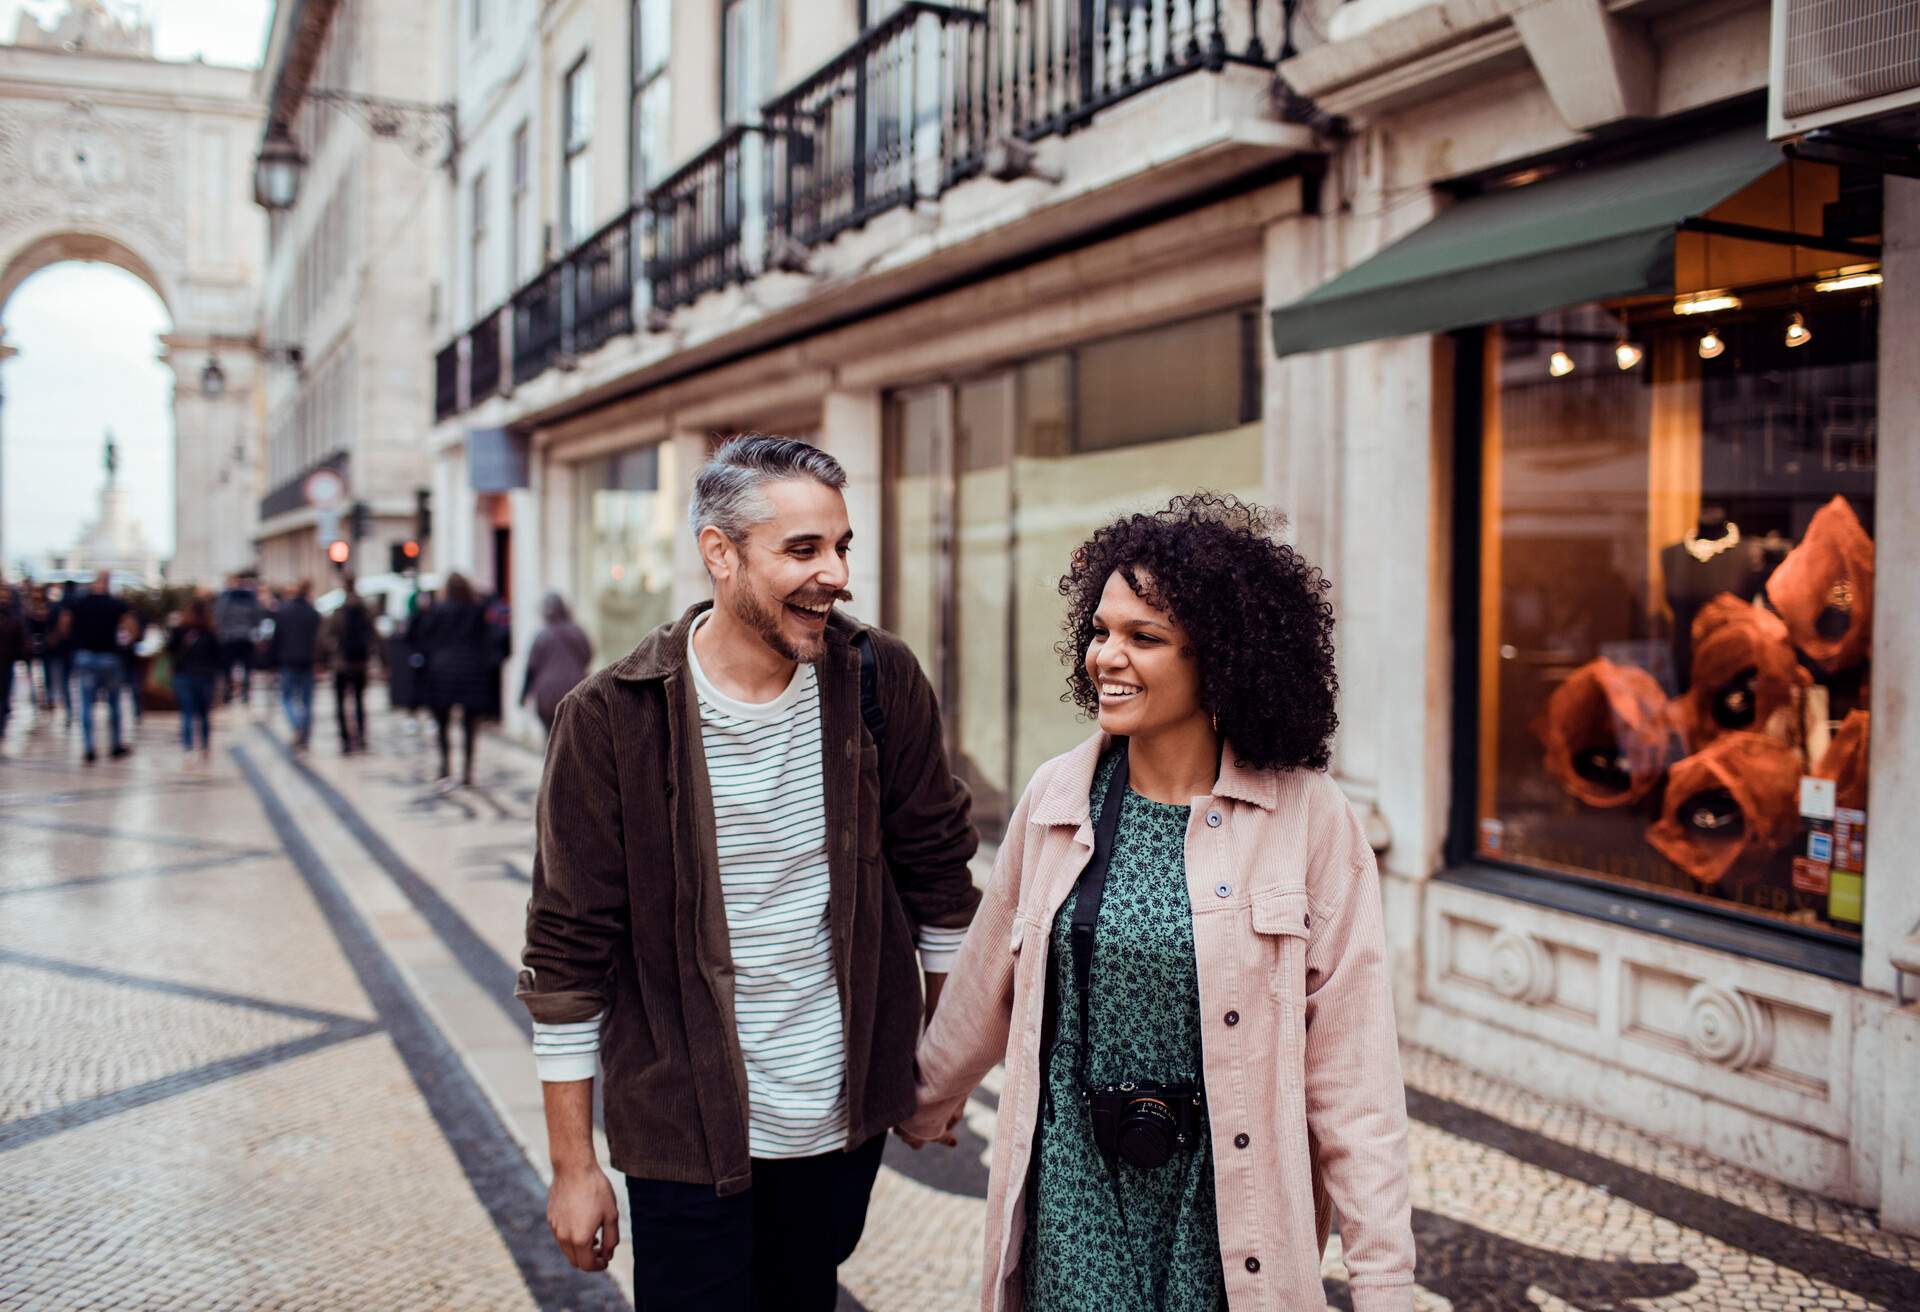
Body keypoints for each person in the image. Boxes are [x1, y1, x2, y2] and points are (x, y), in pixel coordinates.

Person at [900, 494, 1416, 1312]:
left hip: (1229, 1200)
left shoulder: (1308, 816)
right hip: (1076, 1180)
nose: (1107, 656)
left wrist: (1384, 1276)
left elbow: (1352, 1070)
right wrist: (917, 1103)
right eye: (1101, 631)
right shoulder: (1058, 797)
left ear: (1220, 659)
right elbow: (987, 979)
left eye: (1144, 638)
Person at [519, 436, 979, 1310]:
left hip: (841, 1121)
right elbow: (567, 956)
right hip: (681, 1126)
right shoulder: (611, 719)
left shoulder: (881, 680)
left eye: (842, 547)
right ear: (719, 554)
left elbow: (941, 885)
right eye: (802, 550)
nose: (836, 575)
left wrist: (932, 1070)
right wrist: (573, 1165)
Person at [413, 574, 497, 786]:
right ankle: (467, 770)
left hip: (443, 671)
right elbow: (487, 639)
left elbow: (422, 635)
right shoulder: (476, 610)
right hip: (471, 671)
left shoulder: (438, 610)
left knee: (442, 724)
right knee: (470, 726)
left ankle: (445, 766)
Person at [68, 571, 132, 763]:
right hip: (110, 657)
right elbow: (130, 628)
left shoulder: (80, 603)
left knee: (86, 704)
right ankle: (115, 744)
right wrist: (125, 644)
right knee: (114, 703)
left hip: (85, 655)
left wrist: (76, 640)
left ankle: (89, 746)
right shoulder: (117, 605)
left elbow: (65, 623)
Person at [520, 591, 593, 734]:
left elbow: (531, 668)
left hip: (547, 696)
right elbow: (588, 657)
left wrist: (523, 696)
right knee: (574, 738)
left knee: (551, 737)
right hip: (576, 692)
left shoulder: (542, 636)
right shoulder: (577, 632)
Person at [319, 578, 376, 753]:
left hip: (342, 664)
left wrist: (331, 653)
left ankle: (345, 740)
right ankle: (361, 738)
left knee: (341, 703)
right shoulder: (365, 610)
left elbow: (325, 637)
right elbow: (375, 636)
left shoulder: (338, 612)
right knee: (359, 701)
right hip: (360, 663)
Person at [269, 580, 321, 750]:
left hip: (288, 660)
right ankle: (303, 731)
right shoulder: (312, 613)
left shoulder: (283, 612)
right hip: (307, 661)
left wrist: (273, 660)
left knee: (287, 698)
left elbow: (276, 638)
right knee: (306, 701)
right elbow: (319, 641)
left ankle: (297, 724)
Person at [168, 598, 223, 759]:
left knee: (187, 713)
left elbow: (170, 650)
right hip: (205, 677)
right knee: (204, 713)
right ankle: (205, 747)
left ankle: (188, 748)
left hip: (184, 676)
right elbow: (218, 658)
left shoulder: (179, 630)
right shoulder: (210, 633)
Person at [214, 574, 264, 704]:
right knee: (246, 666)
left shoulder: (225, 597)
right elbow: (257, 617)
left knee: (228, 667)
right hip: (246, 636)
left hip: (229, 637)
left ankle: (228, 693)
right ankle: (246, 694)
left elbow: (219, 616)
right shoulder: (250, 597)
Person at [0, 585, 24, 747]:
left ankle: (1, 729)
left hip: (6, 663)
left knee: (3, 699)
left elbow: (20, 642)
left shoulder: (13, 617)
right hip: (6, 662)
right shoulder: (13, 617)